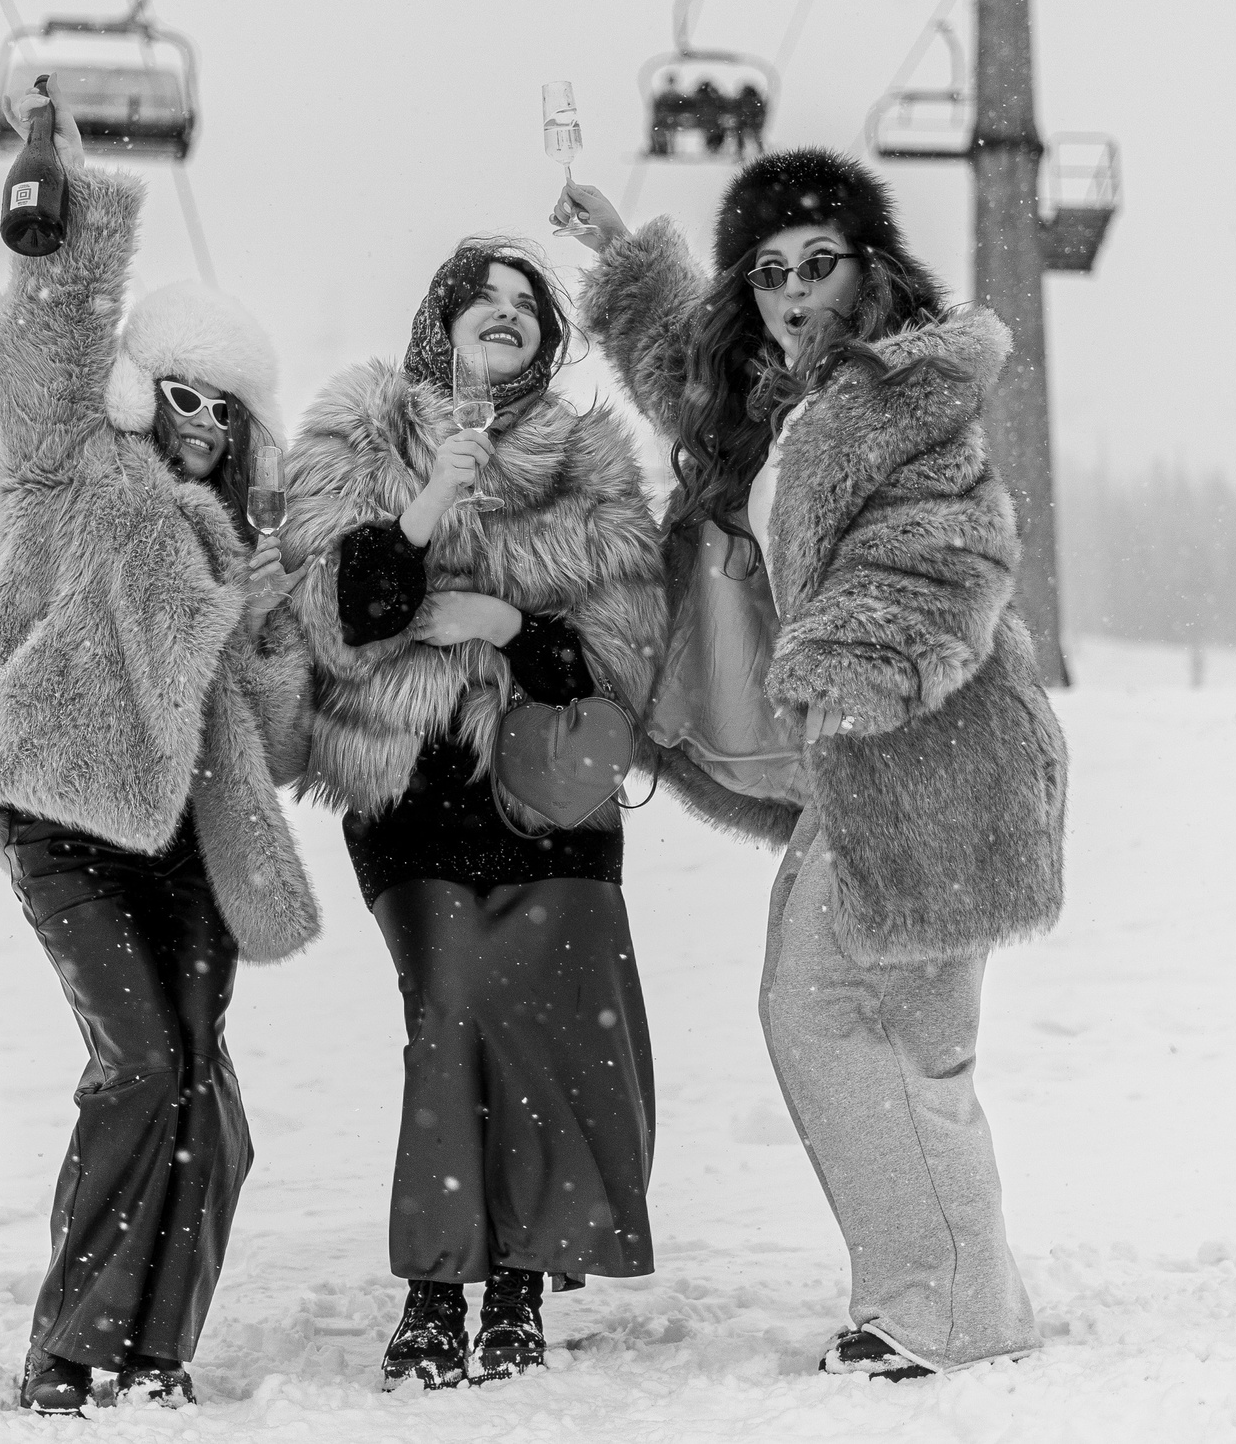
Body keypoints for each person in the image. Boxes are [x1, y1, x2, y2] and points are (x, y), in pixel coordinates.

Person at [555, 150, 1069, 1383]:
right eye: (770, 272)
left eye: (819, 263)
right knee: (904, 1037)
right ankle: (954, 1295)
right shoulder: (776, 403)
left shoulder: (908, 393)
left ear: (871, 268)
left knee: (833, 1011)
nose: (795, 292)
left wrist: (845, 671)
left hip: (929, 756)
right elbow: (686, 373)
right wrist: (626, 255)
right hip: (894, 768)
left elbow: (939, 555)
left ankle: (945, 1311)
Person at [0, 104, 320, 1415]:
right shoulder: (67, 462)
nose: (195, 419)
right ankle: (68, 1349)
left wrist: (299, 623)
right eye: (177, 392)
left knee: (200, 1081)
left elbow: (274, 716)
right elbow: (45, 344)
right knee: (137, 1060)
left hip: (186, 840)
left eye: (221, 406)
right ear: (143, 393)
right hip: (64, 815)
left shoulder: (245, 551)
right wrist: (67, 225)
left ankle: (155, 1347)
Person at [283, 239, 667, 1391]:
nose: (504, 315)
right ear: (437, 325)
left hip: (548, 791)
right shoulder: (359, 433)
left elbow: (621, 657)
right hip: (413, 789)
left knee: (543, 1021)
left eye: (525, 306)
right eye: (481, 300)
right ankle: (435, 1283)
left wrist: (506, 627)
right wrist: (424, 510)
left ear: (548, 343)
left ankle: (515, 1286)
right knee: (452, 1001)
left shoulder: (590, 465)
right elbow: (334, 617)